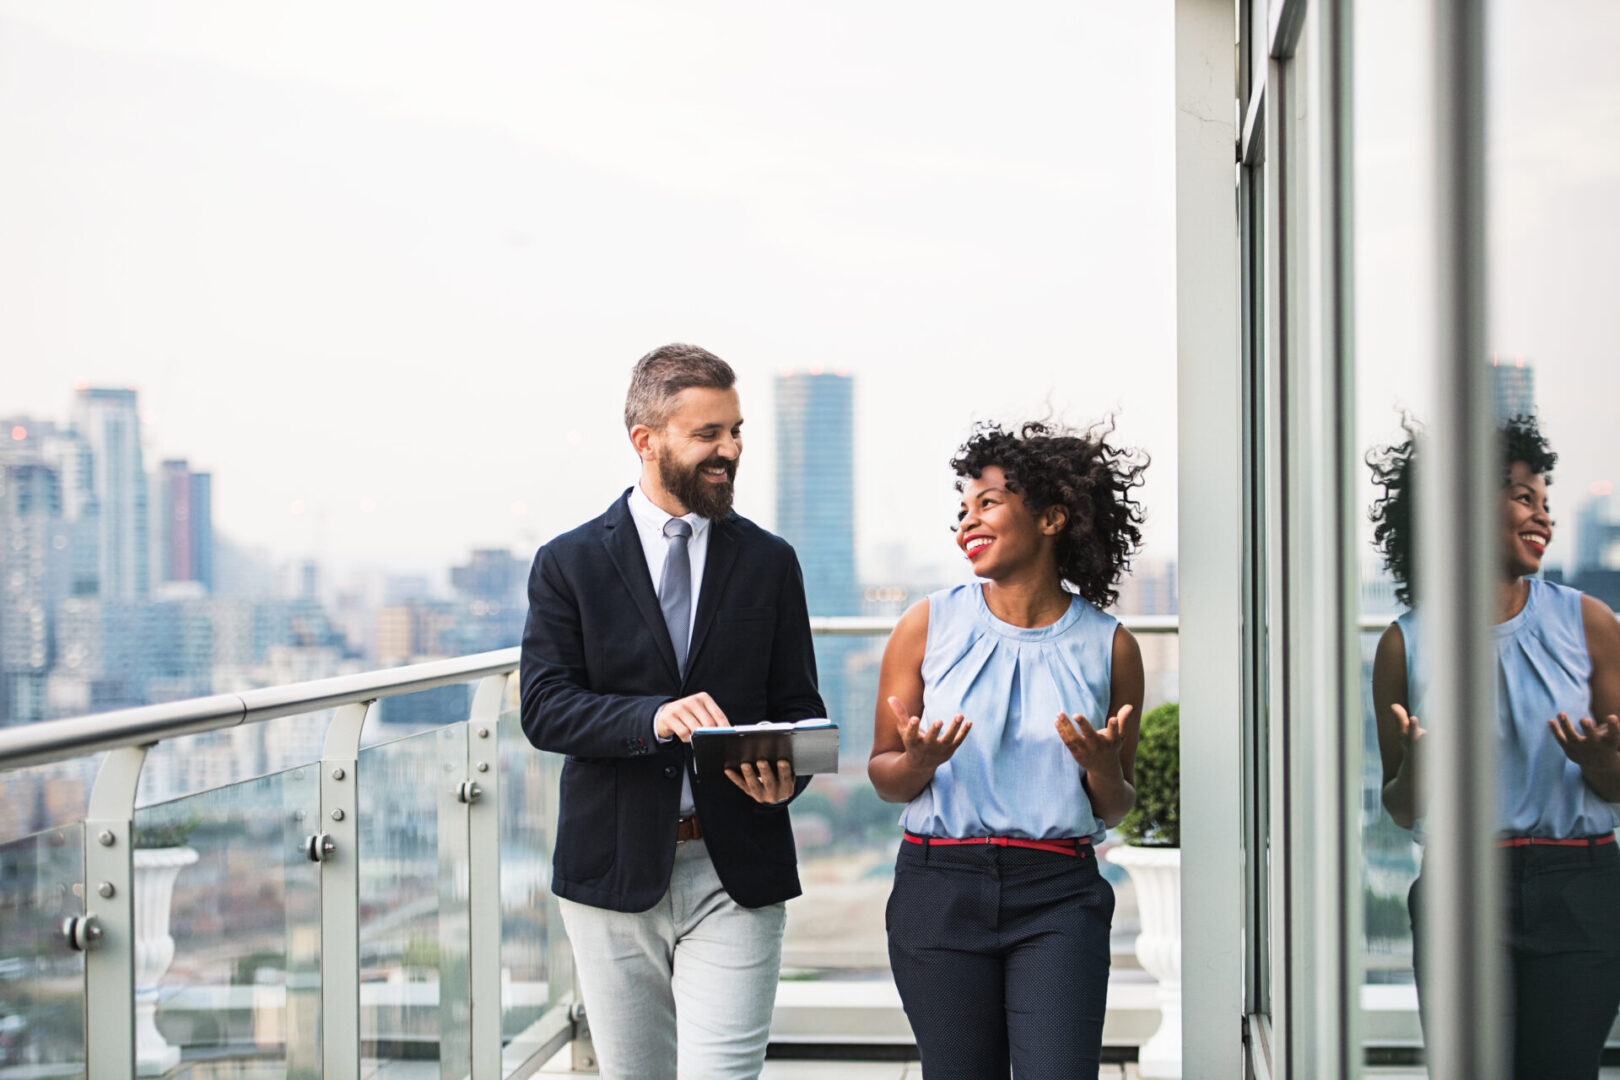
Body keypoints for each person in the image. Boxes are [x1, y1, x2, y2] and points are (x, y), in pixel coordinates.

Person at [520, 343, 825, 1080]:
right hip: (613, 873)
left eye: (737, 430)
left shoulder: (770, 561)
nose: (731, 450)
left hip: (736, 870)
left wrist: (791, 776)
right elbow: (544, 708)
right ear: (645, 441)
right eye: (709, 434)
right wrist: (653, 718)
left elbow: (801, 709)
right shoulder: (569, 564)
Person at [868, 420, 1147, 1080]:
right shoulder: (927, 624)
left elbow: (1116, 806)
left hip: (1058, 896)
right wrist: (920, 763)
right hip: (939, 888)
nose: (967, 520)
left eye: (987, 502)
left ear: (1051, 516)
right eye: (962, 509)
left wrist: (1104, 768)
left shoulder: (1112, 646)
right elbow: (886, 776)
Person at [1370, 414, 1620, 1080]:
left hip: (1580, 887)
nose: (1543, 516)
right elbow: (1399, 807)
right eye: (1521, 496)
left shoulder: (1590, 624)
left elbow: (1618, 782)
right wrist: (1419, 772)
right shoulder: (1405, 643)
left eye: (1546, 501)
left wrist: (1604, 767)